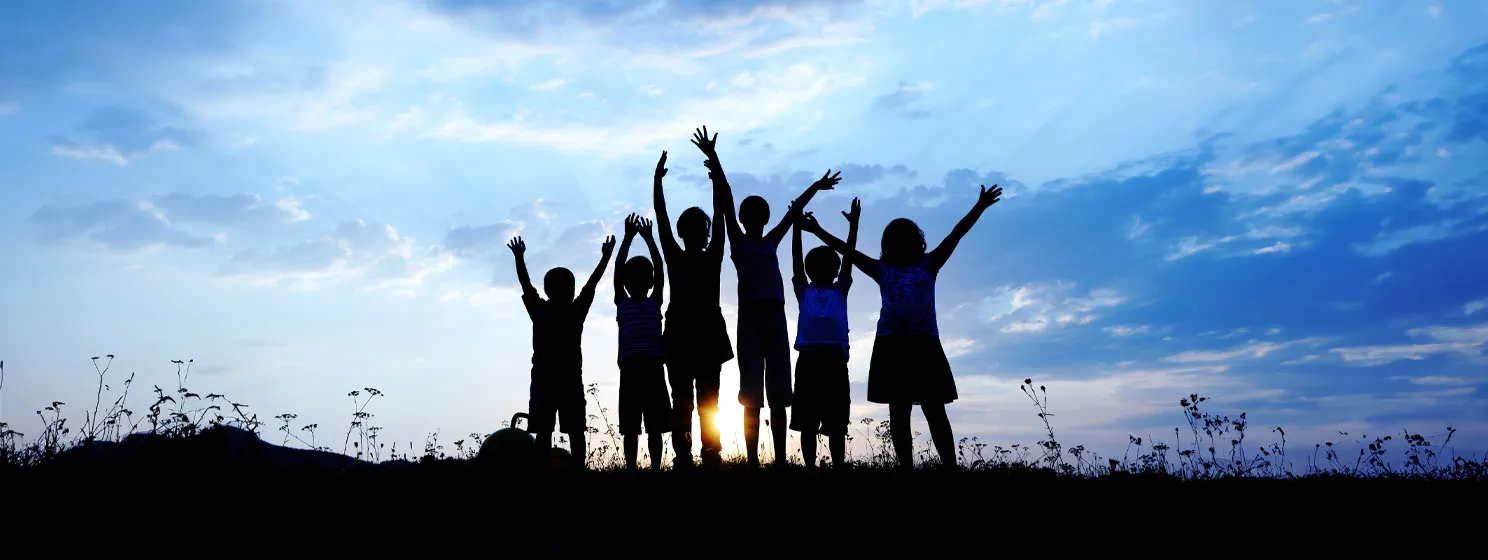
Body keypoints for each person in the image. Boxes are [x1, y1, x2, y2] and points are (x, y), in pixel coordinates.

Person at [798, 184, 1004, 469]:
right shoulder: (893, 268)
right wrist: (817, 230)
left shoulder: (925, 263)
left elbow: (957, 233)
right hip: (899, 345)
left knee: (930, 409)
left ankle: (947, 467)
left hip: (915, 344)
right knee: (907, 410)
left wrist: (979, 207)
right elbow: (847, 251)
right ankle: (914, 467)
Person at [690, 125, 842, 468]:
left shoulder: (771, 240)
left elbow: (793, 212)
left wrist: (815, 187)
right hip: (752, 317)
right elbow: (727, 201)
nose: (757, 218)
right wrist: (714, 158)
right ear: (745, 220)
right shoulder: (740, 243)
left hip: (774, 315)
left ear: (764, 218)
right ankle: (754, 461)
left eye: (761, 215)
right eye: (752, 215)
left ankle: (781, 460)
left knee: (778, 393)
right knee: (751, 394)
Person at [652, 146, 732, 470]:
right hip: (691, 330)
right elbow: (664, 217)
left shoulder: (698, 255)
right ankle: (696, 453)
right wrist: (657, 182)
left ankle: (702, 453)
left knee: (693, 399)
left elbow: (718, 212)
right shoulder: (699, 255)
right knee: (693, 399)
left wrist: (715, 167)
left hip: (695, 330)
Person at [506, 233, 616, 469]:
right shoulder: (573, 310)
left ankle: (546, 472)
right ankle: (576, 470)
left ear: (547, 289)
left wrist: (519, 257)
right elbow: (592, 284)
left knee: (548, 430)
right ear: (571, 289)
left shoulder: (541, 310)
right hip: (565, 378)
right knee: (571, 429)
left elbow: (526, 284)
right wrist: (605, 258)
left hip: (548, 378)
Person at [790, 197, 860, 469]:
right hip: (816, 361)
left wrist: (853, 228)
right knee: (815, 422)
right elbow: (799, 260)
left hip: (827, 361)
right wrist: (796, 228)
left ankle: (835, 467)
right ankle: (817, 467)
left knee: (834, 422)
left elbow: (848, 257)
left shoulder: (836, 290)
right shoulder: (807, 291)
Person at [614, 213, 672, 471]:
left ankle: (656, 468)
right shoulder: (622, 302)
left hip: (652, 367)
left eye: (643, 276)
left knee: (655, 426)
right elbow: (618, 270)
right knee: (630, 426)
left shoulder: (654, 302)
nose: (638, 280)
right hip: (631, 368)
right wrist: (627, 239)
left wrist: (649, 239)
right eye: (632, 277)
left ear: (649, 282)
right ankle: (630, 468)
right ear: (626, 283)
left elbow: (660, 268)